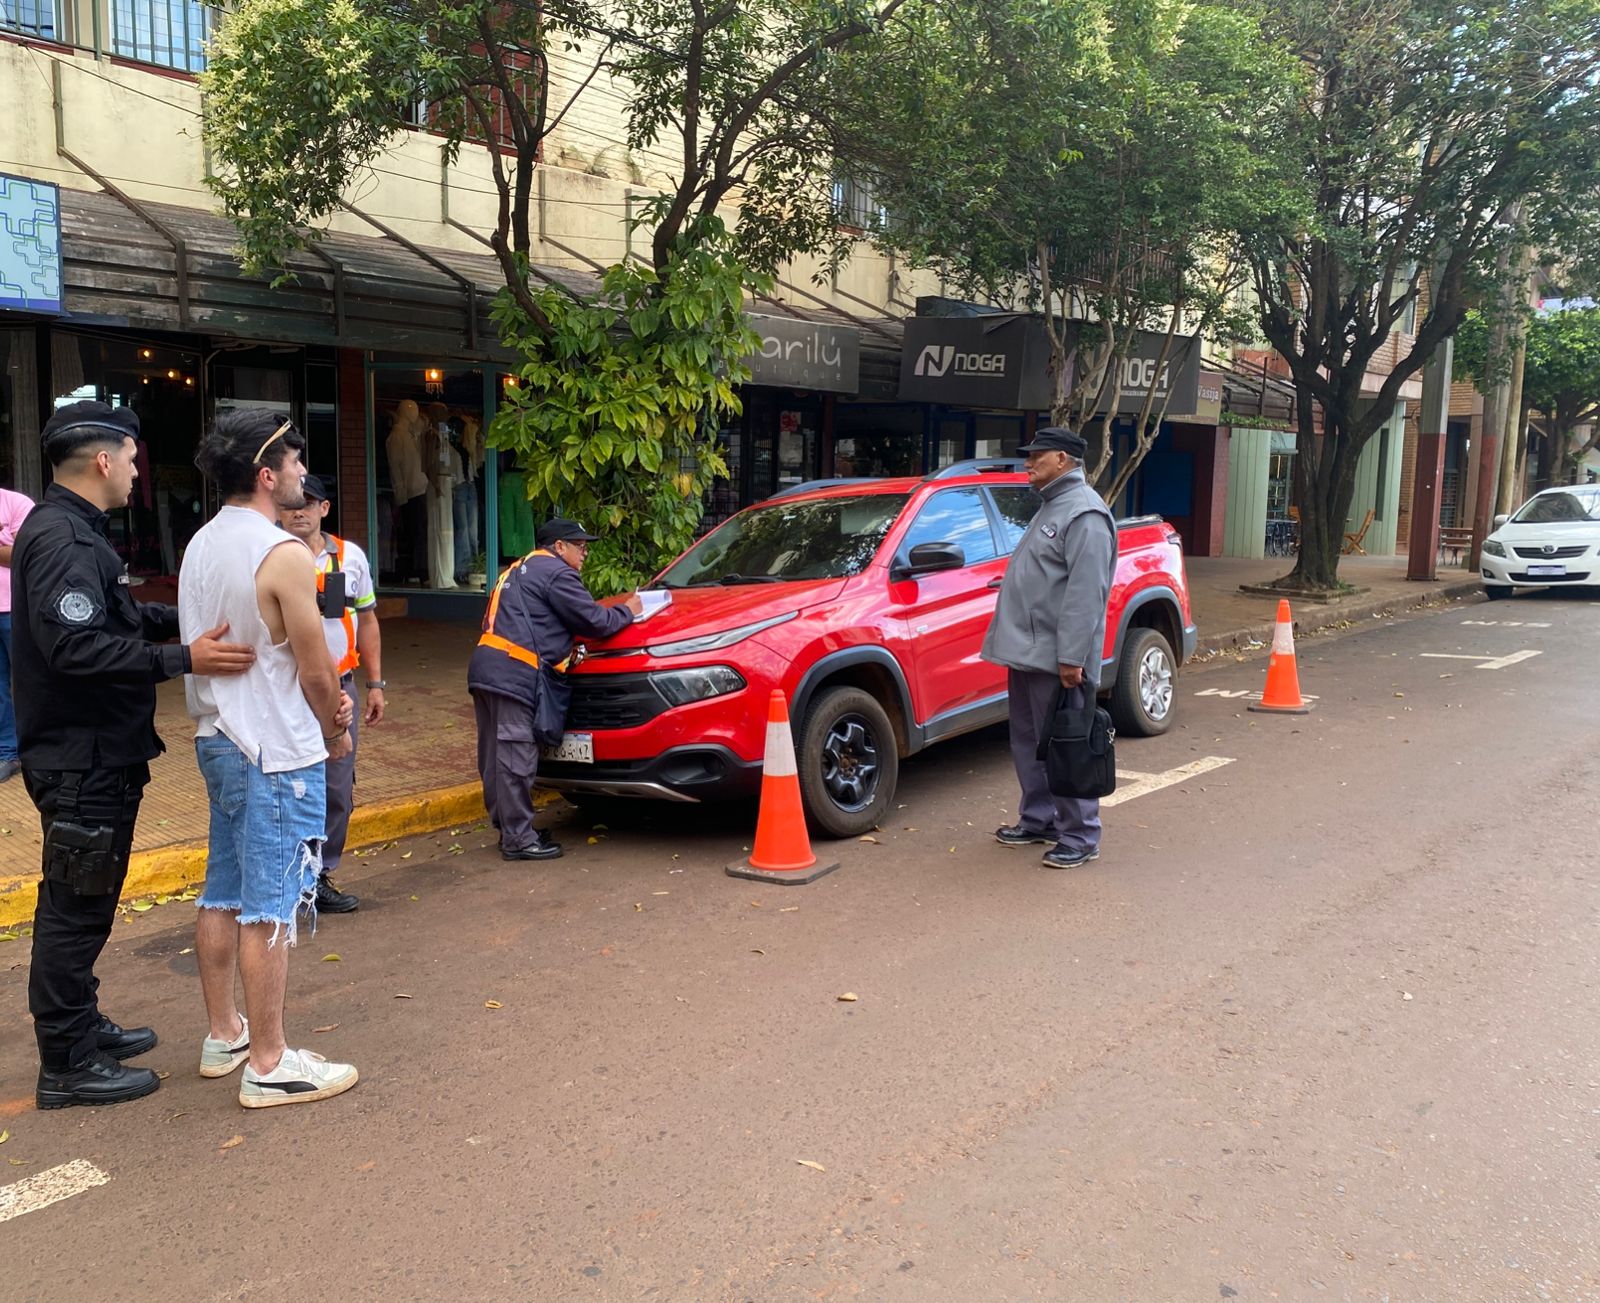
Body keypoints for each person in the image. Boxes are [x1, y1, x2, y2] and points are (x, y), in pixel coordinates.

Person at [10, 401, 255, 1109]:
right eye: (135, 456)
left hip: (93, 751)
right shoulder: (62, 539)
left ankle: (82, 1025)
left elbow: (112, 616)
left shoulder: (73, 530)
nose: (141, 469)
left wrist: (179, 617)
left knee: (86, 901)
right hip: (79, 755)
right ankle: (66, 1061)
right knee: (74, 907)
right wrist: (185, 656)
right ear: (104, 460)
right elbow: (75, 646)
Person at [180, 411, 359, 1109]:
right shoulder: (281, 552)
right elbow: (318, 672)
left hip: (218, 737)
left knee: (222, 888)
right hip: (275, 749)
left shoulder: (201, 544)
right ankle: (270, 1060)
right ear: (265, 475)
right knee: (270, 906)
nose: (300, 473)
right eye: (292, 461)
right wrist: (335, 730)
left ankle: (226, 1031)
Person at [981, 426, 1117, 870]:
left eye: (1036, 456)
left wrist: (1071, 658)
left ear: (1062, 459)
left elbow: (1085, 593)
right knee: (1028, 741)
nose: (1027, 464)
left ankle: (1080, 835)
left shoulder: (1085, 514)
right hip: (1027, 652)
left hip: (1057, 658)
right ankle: (1039, 819)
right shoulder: (1052, 506)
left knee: (1068, 744)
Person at [468, 518, 641, 860]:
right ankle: (519, 839)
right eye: (580, 546)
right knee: (516, 757)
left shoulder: (517, 570)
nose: (585, 553)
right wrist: (628, 610)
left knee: (494, 757)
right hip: (515, 674)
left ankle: (511, 830)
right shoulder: (556, 572)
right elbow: (594, 622)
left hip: (487, 669)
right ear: (559, 547)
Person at [279, 474, 385, 914]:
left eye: (309, 503)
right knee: (289, 786)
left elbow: (369, 621)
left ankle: (318, 876)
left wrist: (376, 684)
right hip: (285, 690)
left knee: (337, 786)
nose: (299, 511)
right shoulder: (271, 555)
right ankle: (287, 880)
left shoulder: (350, 557)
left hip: (340, 688)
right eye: (292, 504)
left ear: (325, 509)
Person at [1, 481, 34, 784]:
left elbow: (25, 554)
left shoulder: (17, 504)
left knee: (29, 681)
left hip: (15, 607)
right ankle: (7, 753)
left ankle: (37, 748)